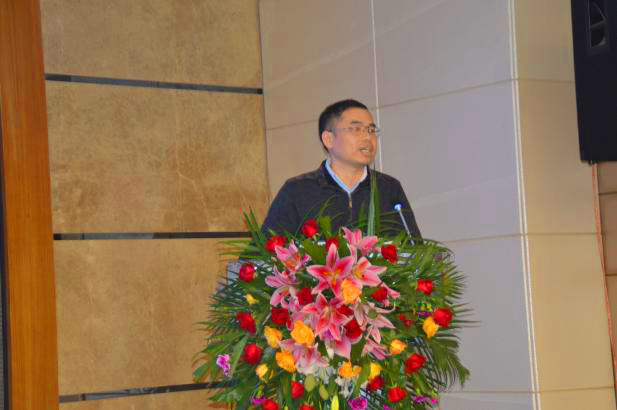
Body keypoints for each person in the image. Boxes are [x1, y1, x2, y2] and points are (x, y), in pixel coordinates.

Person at [262, 99, 421, 238]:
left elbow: (416, 251)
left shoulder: (388, 188)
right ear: (328, 139)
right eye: (356, 129)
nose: (368, 137)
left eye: (371, 130)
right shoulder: (298, 191)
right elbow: (264, 253)